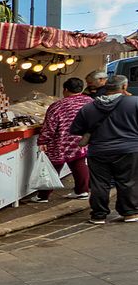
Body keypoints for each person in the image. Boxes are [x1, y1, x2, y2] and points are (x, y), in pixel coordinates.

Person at [70, 74, 138, 223]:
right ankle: (130, 212)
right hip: (129, 149)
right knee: (128, 181)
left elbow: (76, 129)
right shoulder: (134, 102)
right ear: (124, 86)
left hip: (98, 150)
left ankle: (98, 215)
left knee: (99, 183)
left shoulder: (89, 107)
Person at [38, 77, 92, 199]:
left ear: (65, 89)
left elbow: (49, 126)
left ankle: (43, 196)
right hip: (83, 139)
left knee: (53, 166)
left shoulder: (57, 106)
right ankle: (82, 191)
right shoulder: (90, 101)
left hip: (62, 141)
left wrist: (43, 140)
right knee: (79, 162)